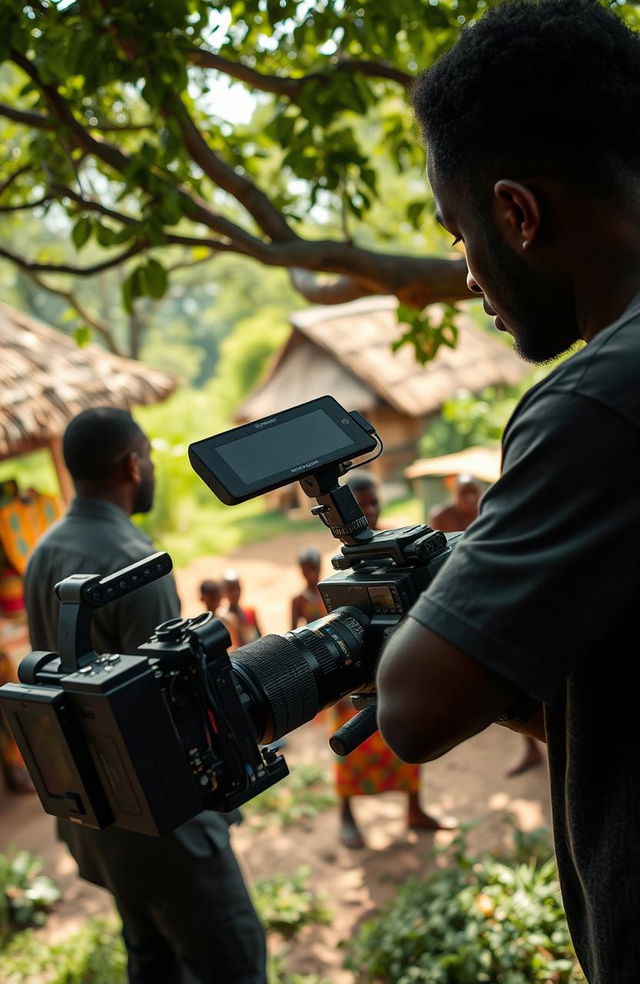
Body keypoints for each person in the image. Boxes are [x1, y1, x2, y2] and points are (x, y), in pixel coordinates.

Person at [375, 2, 640, 980]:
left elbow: (411, 708)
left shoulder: (596, 398)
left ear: (518, 214)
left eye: (458, 235)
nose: (470, 275)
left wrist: (395, 618)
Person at [24, 408, 266, 984]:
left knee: (152, 955)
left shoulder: (44, 551)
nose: (151, 467)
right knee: (230, 961)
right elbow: (169, 707)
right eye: (149, 457)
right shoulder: (135, 562)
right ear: (132, 465)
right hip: (164, 822)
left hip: (98, 818)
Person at [331, 471, 452, 849]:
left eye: (373, 502)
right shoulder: (340, 561)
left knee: (407, 741)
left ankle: (414, 809)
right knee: (352, 750)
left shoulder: (402, 548)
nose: (367, 511)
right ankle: (347, 816)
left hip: (399, 662)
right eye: (360, 504)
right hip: (356, 666)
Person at [430, 475, 544, 778]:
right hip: (463, 601)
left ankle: (539, 745)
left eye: (473, 494)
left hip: (500, 597)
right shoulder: (443, 518)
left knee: (521, 678)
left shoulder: (492, 511)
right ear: (455, 496)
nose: (469, 500)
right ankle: (534, 745)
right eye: (463, 494)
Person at [219, 569, 262, 645]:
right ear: (223, 591)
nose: (235, 593)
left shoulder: (250, 612)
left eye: (237, 588)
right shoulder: (222, 617)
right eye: (230, 590)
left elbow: (261, 638)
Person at [200, 578, 242, 650]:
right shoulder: (201, 624)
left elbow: (236, 645)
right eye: (212, 598)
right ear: (202, 598)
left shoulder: (229, 620)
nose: (215, 601)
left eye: (217, 597)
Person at [290, 547, 326, 628]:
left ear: (320, 567)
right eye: (306, 570)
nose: (310, 575)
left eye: (313, 569)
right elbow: (292, 632)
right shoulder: (298, 600)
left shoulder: (330, 592)